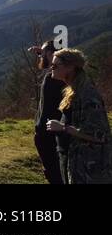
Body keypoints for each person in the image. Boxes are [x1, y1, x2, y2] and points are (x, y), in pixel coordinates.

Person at [44, 49, 112, 184]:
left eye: (55, 65)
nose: (51, 68)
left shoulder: (88, 95)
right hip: (75, 165)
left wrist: (63, 128)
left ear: (70, 67)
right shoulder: (72, 91)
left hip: (89, 170)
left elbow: (100, 135)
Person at [27, 41, 65, 184]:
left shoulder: (53, 78)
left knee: (54, 171)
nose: (41, 56)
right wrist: (40, 52)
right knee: (55, 169)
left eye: (44, 53)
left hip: (48, 133)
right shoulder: (62, 75)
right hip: (51, 131)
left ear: (50, 54)